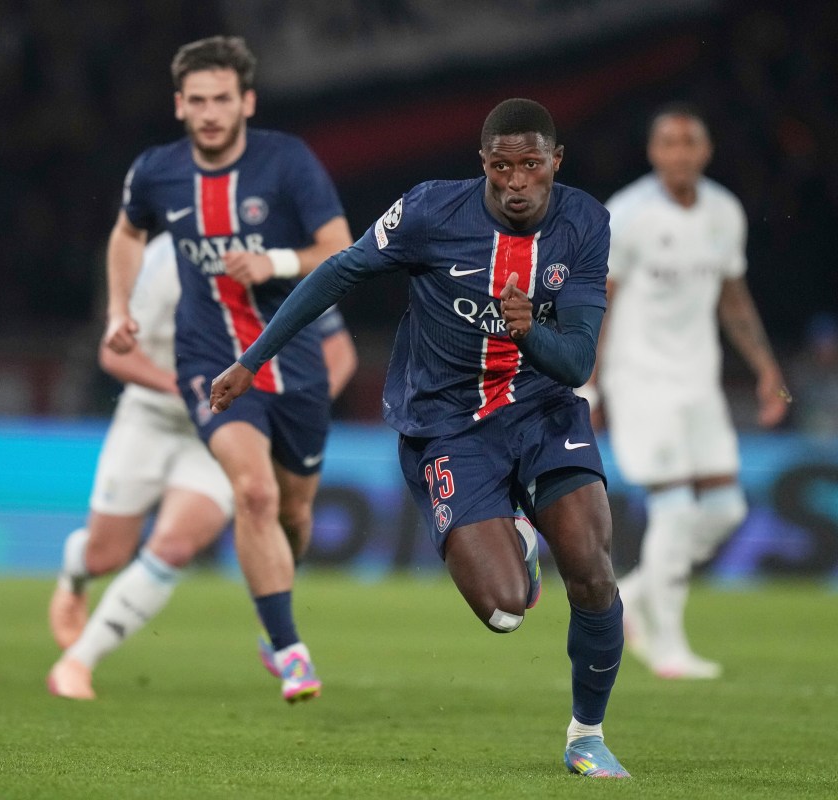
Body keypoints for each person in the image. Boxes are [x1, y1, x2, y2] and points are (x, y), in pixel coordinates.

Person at [211, 99, 630, 778]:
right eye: (502, 167)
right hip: (447, 425)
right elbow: (339, 271)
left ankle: (587, 735)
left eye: (531, 164)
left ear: (556, 161)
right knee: (504, 612)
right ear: (483, 164)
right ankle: (519, 540)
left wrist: (528, 333)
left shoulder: (586, 221)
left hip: (543, 411)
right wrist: (253, 359)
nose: (517, 181)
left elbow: (578, 361)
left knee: (591, 568)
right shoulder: (430, 210)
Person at [94, 36, 353, 703]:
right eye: (198, 101)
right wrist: (119, 308)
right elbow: (127, 232)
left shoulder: (287, 161)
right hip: (210, 359)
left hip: (293, 358)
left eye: (222, 100)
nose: (210, 113)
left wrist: (276, 262)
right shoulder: (156, 172)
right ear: (180, 105)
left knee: (295, 513)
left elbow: (339, 246)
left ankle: (274, 619)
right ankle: (291, 651)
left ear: (247, 102)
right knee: (254, 492)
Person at [47, 233, 358, 700]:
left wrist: (296, 410)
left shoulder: (275, 256)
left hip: (228, 427)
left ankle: (77, 663)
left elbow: (339, 352)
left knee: (174, 547)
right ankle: (76, 571)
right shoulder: (163, 261)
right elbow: (113, 353)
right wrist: (187, 389)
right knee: (103, 557)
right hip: (150, 417)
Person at [587, 104, 790, 681]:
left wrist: (765, 366)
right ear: (654, 152)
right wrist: (589, 385)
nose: (679, 153)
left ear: (706, 150)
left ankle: (633, 595)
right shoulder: (628, 214)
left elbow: (733, 295)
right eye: (668, 143)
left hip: (698, 378)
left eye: (689, 142)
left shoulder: (724, 212)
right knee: (674, 509)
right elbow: (600, 301)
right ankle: (669, 647)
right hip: (640, 378)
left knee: (726, 510)